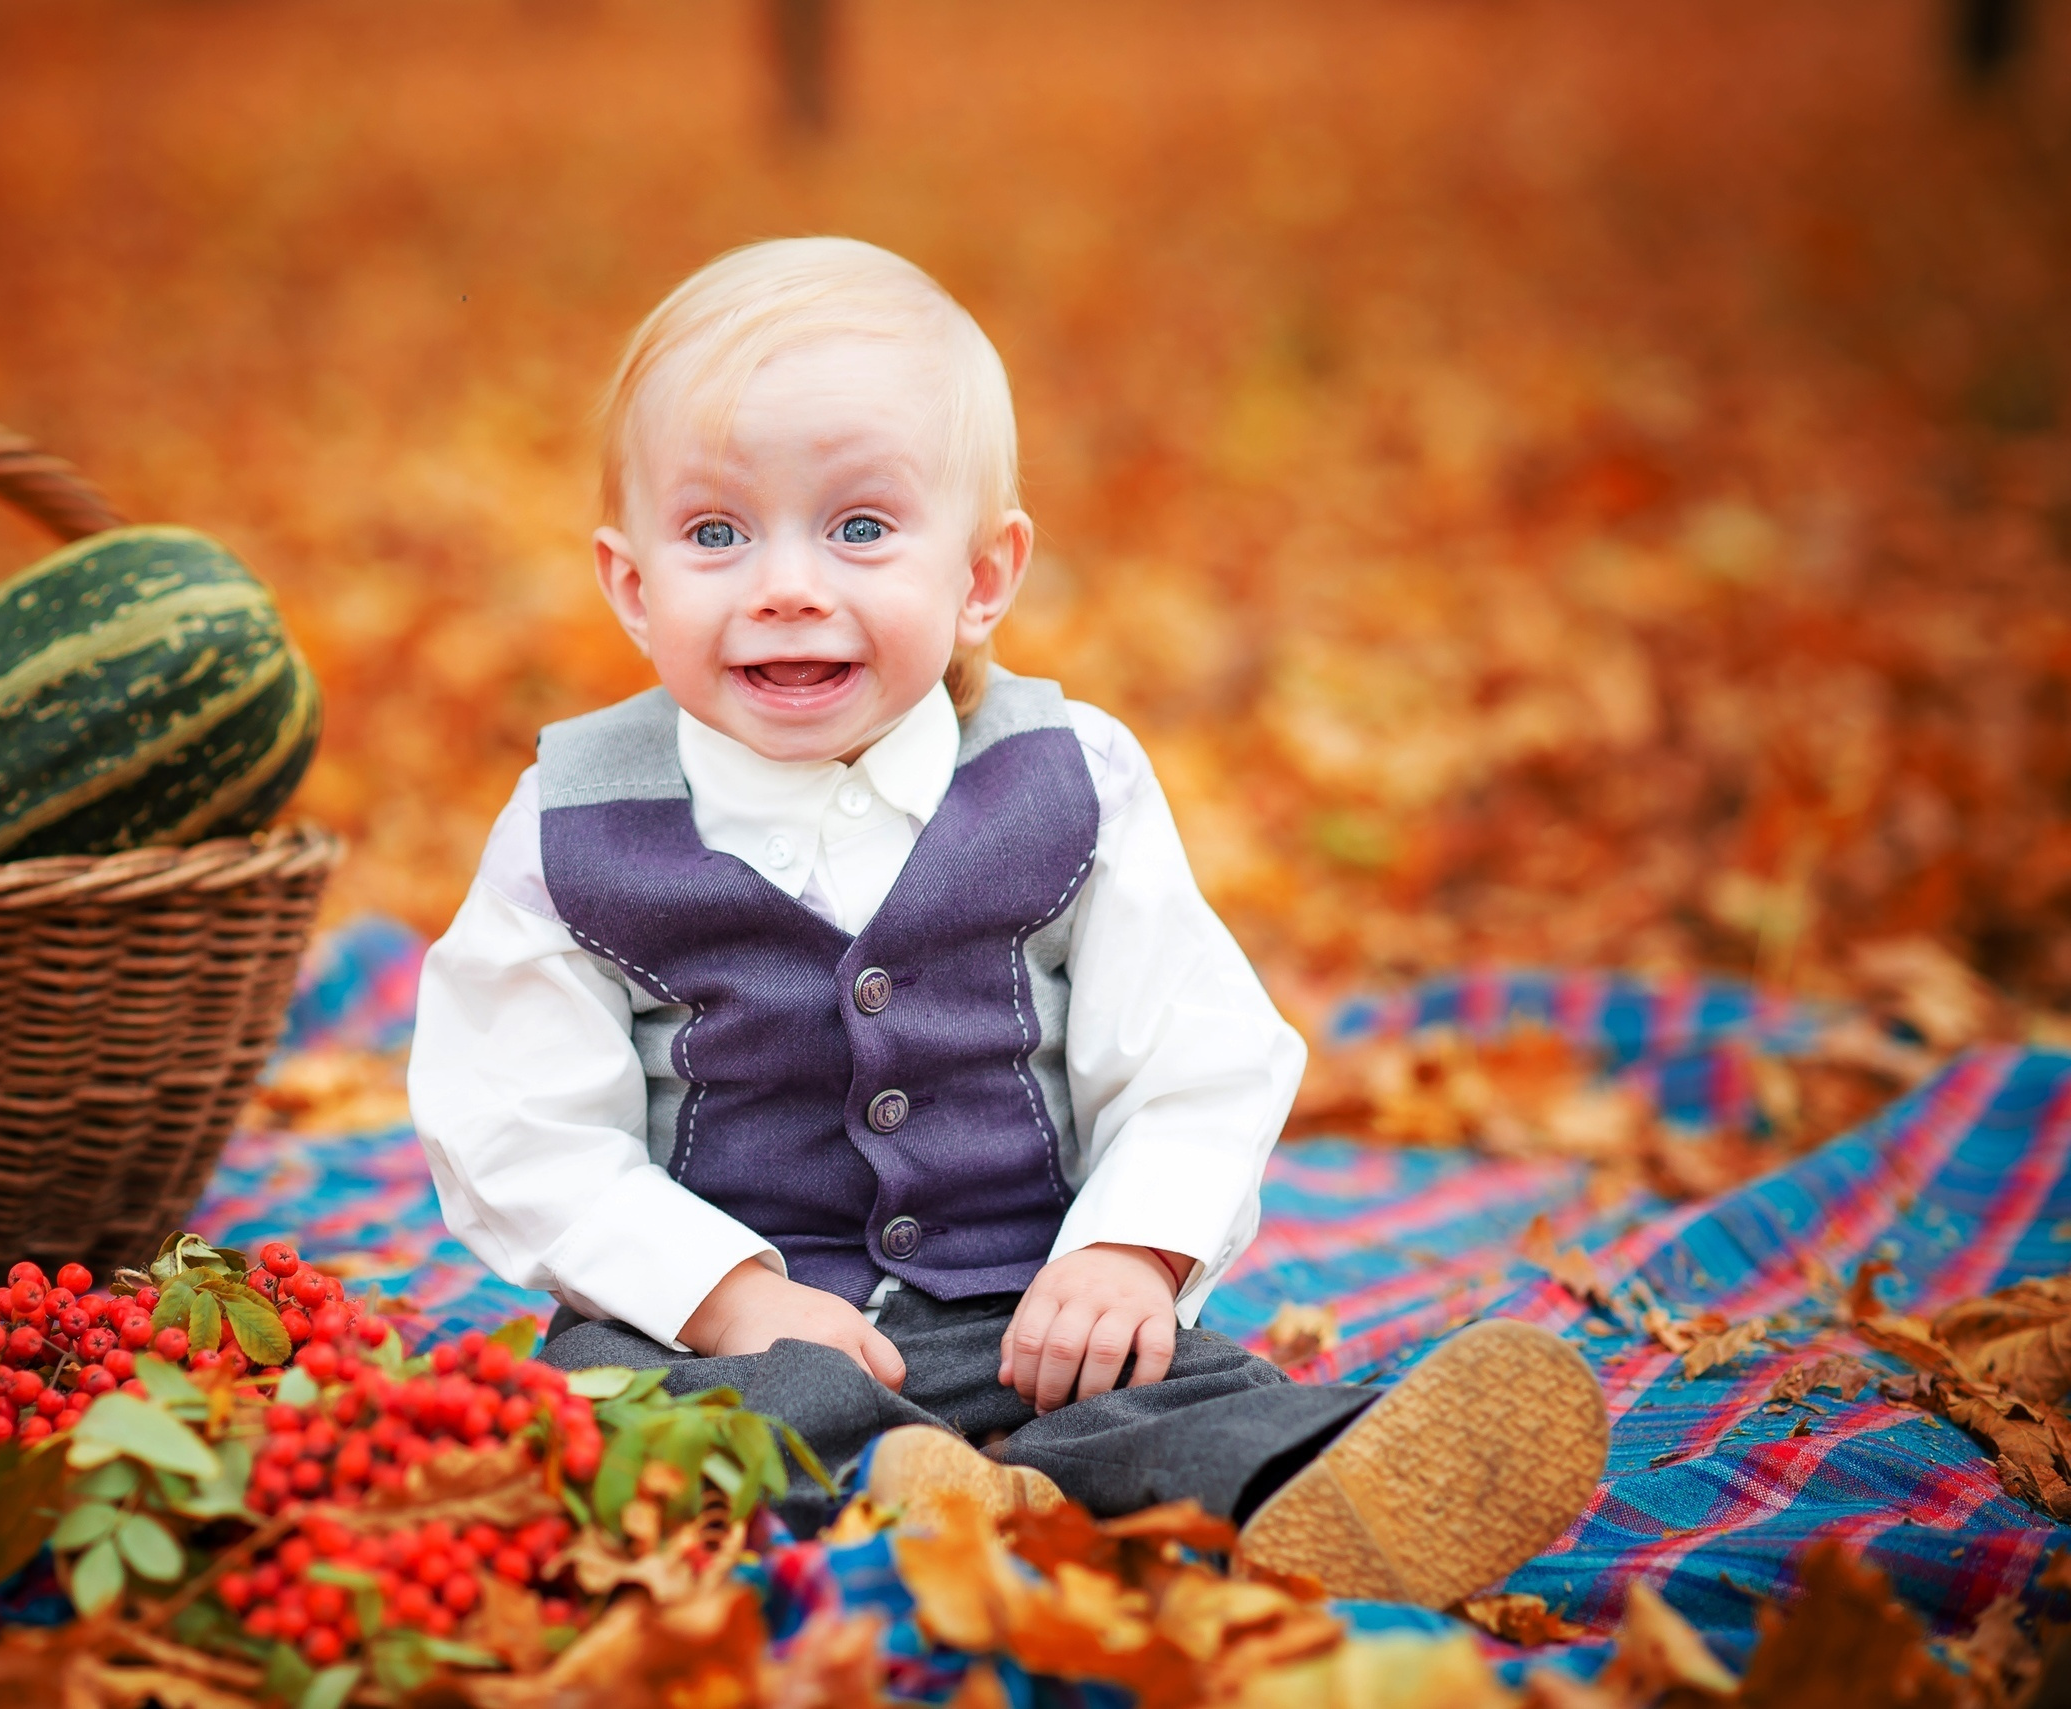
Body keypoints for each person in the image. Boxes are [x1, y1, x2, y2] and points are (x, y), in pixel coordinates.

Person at [408, 237, 1606, 1607]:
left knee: (1176, 1388)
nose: (786, 583)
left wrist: (1127, 1248)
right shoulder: (572, 823)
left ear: (984, 575)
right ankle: (932, 1497)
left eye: (860, 528)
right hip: (725, 1330)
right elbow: (515, 1122)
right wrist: (720, 1290)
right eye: (716, 533)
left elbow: (1193, 1049)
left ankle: (1316, 1488)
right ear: (632, 586)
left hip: (1026, 1313)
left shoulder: (1068, 781)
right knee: (616, 1416)